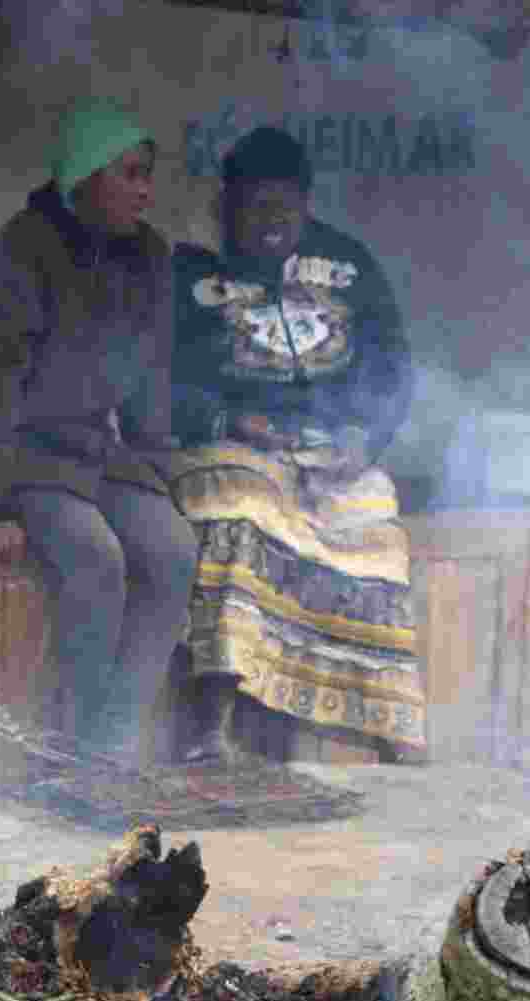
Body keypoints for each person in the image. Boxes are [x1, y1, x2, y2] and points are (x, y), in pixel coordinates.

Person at [170, 125, 427, 764]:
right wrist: (227, 419)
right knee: (240, 508)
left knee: (374, 521)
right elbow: (156, 376)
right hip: (226, 442)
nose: (271, 222)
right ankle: (213, 720)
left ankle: (387, 724)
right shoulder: (190, 269)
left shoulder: (349, 264)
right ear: (227, 203)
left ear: (306, 204)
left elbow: (393, 366)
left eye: (285, 207)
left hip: (326, 449)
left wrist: (364, 438)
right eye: (256, 207)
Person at [0, 98, 197, 767]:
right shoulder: (18, 254)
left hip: (98, 455)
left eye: (148, 175)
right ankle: (70, 756)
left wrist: (160, 471)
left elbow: (152, 375)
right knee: (97, 558)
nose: (145, 190)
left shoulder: (147, 255)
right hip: (28, 459)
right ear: (84, 176)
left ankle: (109, 744)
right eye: (130, 174)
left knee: (174, 549)